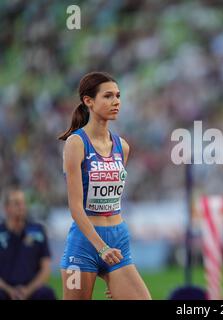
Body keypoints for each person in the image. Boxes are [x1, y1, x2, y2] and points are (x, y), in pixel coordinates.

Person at [58, 71, 151, 300]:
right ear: (88, 101)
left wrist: (113, 269)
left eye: (118, 96)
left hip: (118, 237)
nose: (116, 101)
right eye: (108, 96)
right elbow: (76, 208)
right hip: (84, 242)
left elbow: (114, 198)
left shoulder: (123, 147)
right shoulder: (76, 143)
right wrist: (101, 248)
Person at [0, 187, 56, 300]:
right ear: (6, 208)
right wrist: (9, 290)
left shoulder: (38, 231)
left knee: (47, 293)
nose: (21, 207)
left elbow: (46, 269)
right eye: (16, 203)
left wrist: (28, 290)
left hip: (32, 289)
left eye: (23, 203)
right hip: (4, 290)